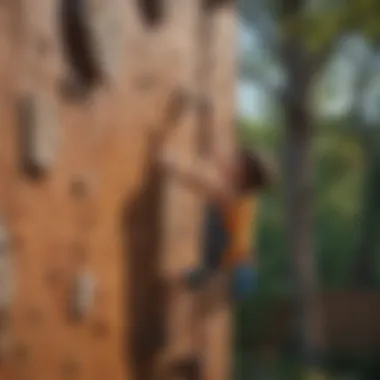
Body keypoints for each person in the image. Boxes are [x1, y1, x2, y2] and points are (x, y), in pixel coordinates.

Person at [160, 146, 273, 300]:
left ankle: (170, 285)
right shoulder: (244, 196)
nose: (230, 159)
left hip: (234, 271)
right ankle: (175, 284)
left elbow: (198, 182)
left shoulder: (230, 196)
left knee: (199, 277)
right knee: (202, 275)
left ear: (242, 175)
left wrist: (171, 164)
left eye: (236, 161)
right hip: (241, 267)